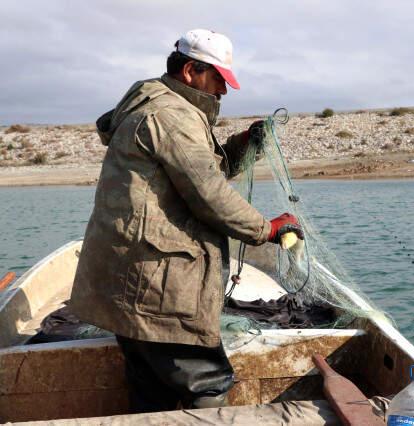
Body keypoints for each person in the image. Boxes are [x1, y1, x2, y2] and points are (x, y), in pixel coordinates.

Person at [69, 29, 304, 413]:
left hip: (129, 283)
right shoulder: (171, 115)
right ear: (192, 71)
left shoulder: (158, 105)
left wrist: (245, 143)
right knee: (207, 382)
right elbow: (209, 194)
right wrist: (270, 229)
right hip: (155, 287)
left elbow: (199, 170)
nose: (223, 92)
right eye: (219, 80)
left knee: (150, 391)